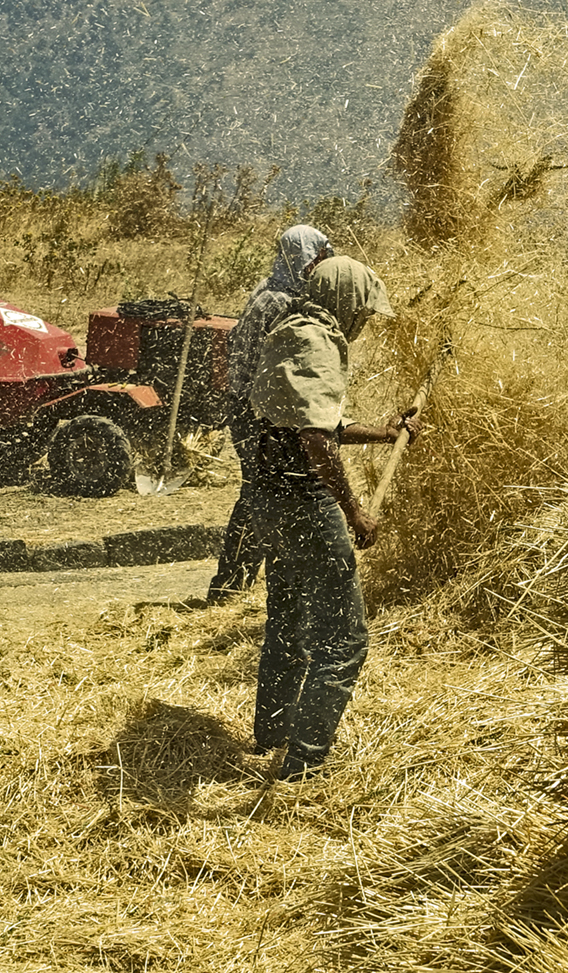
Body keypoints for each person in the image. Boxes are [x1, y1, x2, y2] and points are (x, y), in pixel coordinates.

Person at [247, 254, 417, 781]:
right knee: (345, 641)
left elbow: (317, 423)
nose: (363, 324)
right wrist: (354, 509)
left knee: (288, 620)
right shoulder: (317, 341)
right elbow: (316, 439)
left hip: (270, 502)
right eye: (362, 314)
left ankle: (273, 732)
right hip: (304, 505)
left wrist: (385, 434)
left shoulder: (289, 331)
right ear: (345, 303)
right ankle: (304, 765)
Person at [204, 224, 334, 603]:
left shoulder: (269, 287)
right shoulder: (284, 302)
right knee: (261, 497)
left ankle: (232, 584)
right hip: (256, 412)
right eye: (319, 257)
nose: (321, 265)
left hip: (245, 405)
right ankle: (230, 587)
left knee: (260, 495)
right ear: (306, 259)